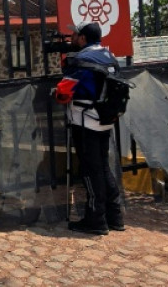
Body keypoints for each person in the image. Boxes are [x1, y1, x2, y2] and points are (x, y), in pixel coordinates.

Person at [58, 21, 125, 235]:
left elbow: (63, 92)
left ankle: (96, 220)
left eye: (76, 35)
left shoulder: (82, 60)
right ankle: (115, 216)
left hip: (86, 120)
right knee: (104, 167)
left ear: (83, 38)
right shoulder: (110, 57)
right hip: (105, 119)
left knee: (90, 170)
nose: (72, 38)